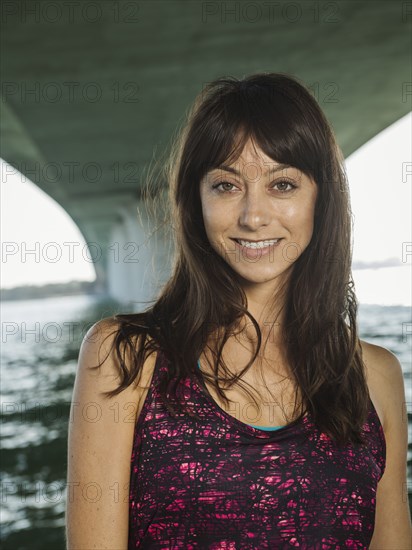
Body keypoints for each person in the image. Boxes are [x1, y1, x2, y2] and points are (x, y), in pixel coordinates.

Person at [65, 73, 411, 549]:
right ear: (195, 202)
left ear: (322, 199)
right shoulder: (124, 359)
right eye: (226, 186)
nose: (253, 215)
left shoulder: (376, 377)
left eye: (283, 184)